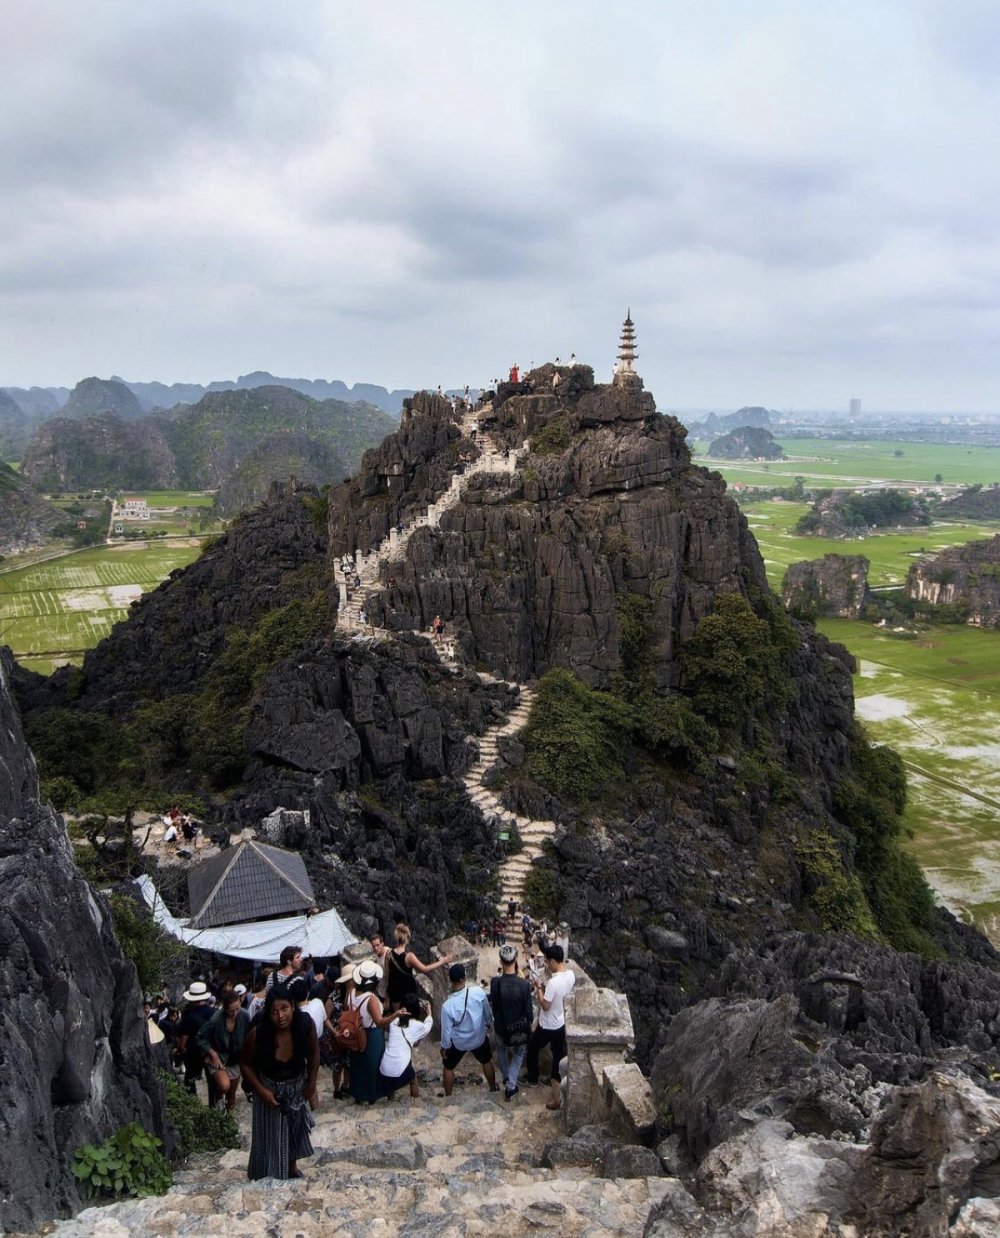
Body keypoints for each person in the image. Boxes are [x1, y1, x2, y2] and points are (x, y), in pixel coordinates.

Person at [241, 988, 319, 1180]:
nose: (280, 1016)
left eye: (284, 1009)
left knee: (294, 1132)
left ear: (293, 1006)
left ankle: (291, 1169)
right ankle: (265, 1176)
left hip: (296, 1086)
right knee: (269, 1137)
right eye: (274, 1011)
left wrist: (312, 1082)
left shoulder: (305, 1025)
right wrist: (262, 1091)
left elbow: (314, 1052)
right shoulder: (258, 1034)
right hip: (268, 1089)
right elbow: (245, 1064)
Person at [525, 944, 576, 1111]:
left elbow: (545, 1005)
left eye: (547, 961)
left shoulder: (553, 982)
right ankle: (554, 1079)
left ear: (553, 961)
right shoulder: (571, 975)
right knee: (558, 1054)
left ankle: (534, 1078)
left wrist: (539, 987)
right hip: (561, 1022)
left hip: (548, 1024)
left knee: (533, 1047)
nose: (546, 964)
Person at [345, 961, 399, 1105]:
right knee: (373, 1065)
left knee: (357, 1064)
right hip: (371, 1034)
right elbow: (380, 1021)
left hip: (356, 1033)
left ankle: (358, 1094)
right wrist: (395, 1015)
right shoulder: (371, 1000)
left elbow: (348, 1011)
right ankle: (371, 1095)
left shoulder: (350, 993)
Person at [439, 963, 497, 1097]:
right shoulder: (478, 992)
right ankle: (493, 1088)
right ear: (464, 978)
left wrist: (444, 1047)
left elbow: (446, 1032)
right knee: (486, 1061)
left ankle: (448, 1096)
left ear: (451, 980)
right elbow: (487, 1014)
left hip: (459, 1042)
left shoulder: (447, 1006)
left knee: (448, 1067)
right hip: (478, 1038)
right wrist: (488, 1024)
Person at [490, 944, 533, 1100]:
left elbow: (494, 1006)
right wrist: (530, 1023)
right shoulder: (524, 985)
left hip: (501, 1026)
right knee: (519, 1053)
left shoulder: (495, 983)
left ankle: (507, 1077)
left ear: (501, 961)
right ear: (515, 960)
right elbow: (529, 1012)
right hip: (518, 1028)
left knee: (501, 1050)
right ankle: (510, 1086)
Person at [197, 990, 249, 1111]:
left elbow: (249, 1035)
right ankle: (218, 1098)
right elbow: (200, 1037)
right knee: (224, 1086)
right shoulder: (215, 1019)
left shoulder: (244, 1016)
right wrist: (212, 1053)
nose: (235, 1013)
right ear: (225, 1009)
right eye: (232, 1010)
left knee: (232, 1094)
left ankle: (228, 1121)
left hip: (235, 1059)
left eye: (238, 1008)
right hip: (218, 1057)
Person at [384, 924, 452, 1011]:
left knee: (397, 1014)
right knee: (410, 1012)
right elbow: (424, 968)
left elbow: (388, 973)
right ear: (407, 938)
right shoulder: (409, 956)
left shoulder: (389, 953)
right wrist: (441, 961)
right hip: (407, 988)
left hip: (394, 988)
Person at [379, 992, 433, 1100]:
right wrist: (429, 1012)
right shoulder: (417, 1026)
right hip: (398, 1073)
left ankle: (391, 1099)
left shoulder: (394, 1021)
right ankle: (416, 1102)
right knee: (413, 1079)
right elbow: (428, 1025)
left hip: (383, 1071)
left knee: (399, 1062)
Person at [176, 981, 216, 1097]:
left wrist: (181, 1049)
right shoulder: (213, 1012)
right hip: (210, 1050)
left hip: (193, 1051)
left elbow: (184, 1036)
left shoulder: (188, 1014)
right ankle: (213, 1107)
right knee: (212, 1080)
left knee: (190, 1079)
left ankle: (192, 1103)